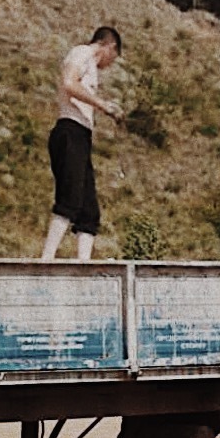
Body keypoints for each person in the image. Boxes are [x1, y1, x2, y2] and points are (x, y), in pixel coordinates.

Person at [42, 27, 124, 262]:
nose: (110, 63)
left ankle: (83, 263)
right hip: (70, 130)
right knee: (69, 198)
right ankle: (46, 258)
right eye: (114, 57)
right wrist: (103, 105)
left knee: (88, 210)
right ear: (110, 47)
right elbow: (69, 82)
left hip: (81, 134)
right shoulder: (82, 53)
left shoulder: (90, 66)